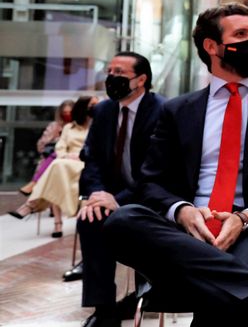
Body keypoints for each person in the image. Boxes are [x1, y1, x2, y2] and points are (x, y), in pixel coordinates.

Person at [101, 3, 248, 327]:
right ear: (212, 47)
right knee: (121, 221)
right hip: (185, 231)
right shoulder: (178, 110)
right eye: (241, 34)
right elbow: (149, 181)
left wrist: (244, 219)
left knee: (227, 298)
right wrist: (182, 211)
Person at [73, 52, 165, 327]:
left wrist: (118, 199)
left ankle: (144, 295)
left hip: (149, 196)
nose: (111, 78)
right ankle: (103, 310)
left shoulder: (162, 111)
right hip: (108, 194)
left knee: (132, 222)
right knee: (90, 219)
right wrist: (97, 195)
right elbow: (91, 159)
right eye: (109, 71)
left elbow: (157, 169)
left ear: (141, 80)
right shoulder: (103, 110)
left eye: (120, 73)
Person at [10, 95, 99, 238]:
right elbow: (60, 148)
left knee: (56, 167)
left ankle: (32, 204)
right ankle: (50, 217)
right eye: (92, 105)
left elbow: (96, 150)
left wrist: (78, 156)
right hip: (66, 163)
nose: (95, 108)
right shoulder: (69, 127)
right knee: (57, 169)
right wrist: (67, 155)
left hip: (84, 164)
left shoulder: (97, 127)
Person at [19, 99, 75, 196]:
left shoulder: (80, 126)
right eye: (65, 113)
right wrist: (55, 137)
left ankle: (34, 185)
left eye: (70, 112)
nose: (67, 115)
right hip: (55, 156)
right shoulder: (54, 126)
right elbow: (42, 145)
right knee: (53, 157)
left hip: (72, 157)